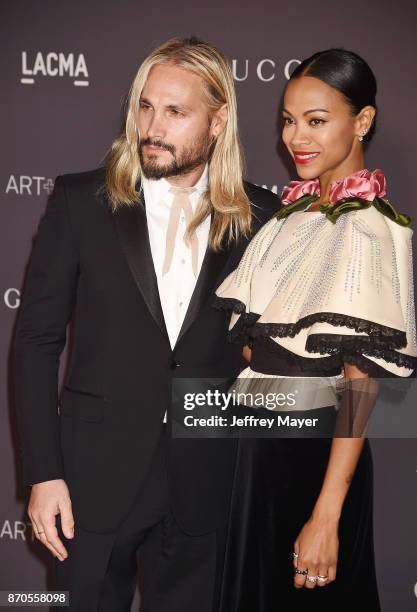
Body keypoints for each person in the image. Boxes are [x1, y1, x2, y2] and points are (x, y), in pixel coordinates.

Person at [12, 37, 280, 612]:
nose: (152, 127)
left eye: (176, 112)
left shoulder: (261, 218)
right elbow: (35, 342)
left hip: (206, 478)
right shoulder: (80, 200)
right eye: (145, 106)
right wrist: (43, 473)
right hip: (91, 476)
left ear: (218, 121)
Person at [214, 48, 417, 611]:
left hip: (312, 463)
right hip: (255, 456)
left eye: (316, 120)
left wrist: (326, 516)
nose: (295, 137)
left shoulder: (373, 231)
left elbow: (359, 384)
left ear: (363, 121)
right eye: (288, 119)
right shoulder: (287, 221)